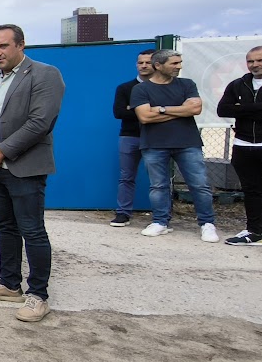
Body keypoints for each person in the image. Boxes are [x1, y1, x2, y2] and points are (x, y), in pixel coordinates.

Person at [0, 25, 65, 323]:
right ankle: (10, 283)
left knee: (32, 230)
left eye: (3, 46)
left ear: (21, 45)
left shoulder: (45, 74)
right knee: (5, 228)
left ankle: (38, 295)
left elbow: (40, 122)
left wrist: (3, 151)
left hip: (23, 167)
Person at [131, 50, 218, 242]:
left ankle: (207, 224)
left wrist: (161, 109)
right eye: (174, 63)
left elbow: (195, 108)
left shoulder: (187, 84)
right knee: (158, 186)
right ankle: (160, 222)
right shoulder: (141, 89)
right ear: (158, 65)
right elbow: (144, 116)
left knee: (199, 185)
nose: (179, 66)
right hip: (154, 144)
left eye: (180, 62)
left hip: (188, 142)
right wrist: (181, 110)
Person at [216, 45, 262, 245]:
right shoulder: (238, 84)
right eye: (251, 61)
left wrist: (241, 109)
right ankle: (255, 231)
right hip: (243, 145)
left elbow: (234, 109)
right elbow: (222, 109)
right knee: (251, 190)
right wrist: (255, 109)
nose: (255, 65)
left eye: (259, 60)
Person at [110, 50, 155, 226]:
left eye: (148, 62)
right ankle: (123, 213)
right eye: (140, 62)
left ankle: (161, 217)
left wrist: (133, 108)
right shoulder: (125, 88)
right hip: (129, 136)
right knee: (126, 176)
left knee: (158, 179)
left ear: (157, 65)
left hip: (157, 137)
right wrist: (148, 110)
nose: (143, 66)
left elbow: (167, 109)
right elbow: (119, 112)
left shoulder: (163, 87)